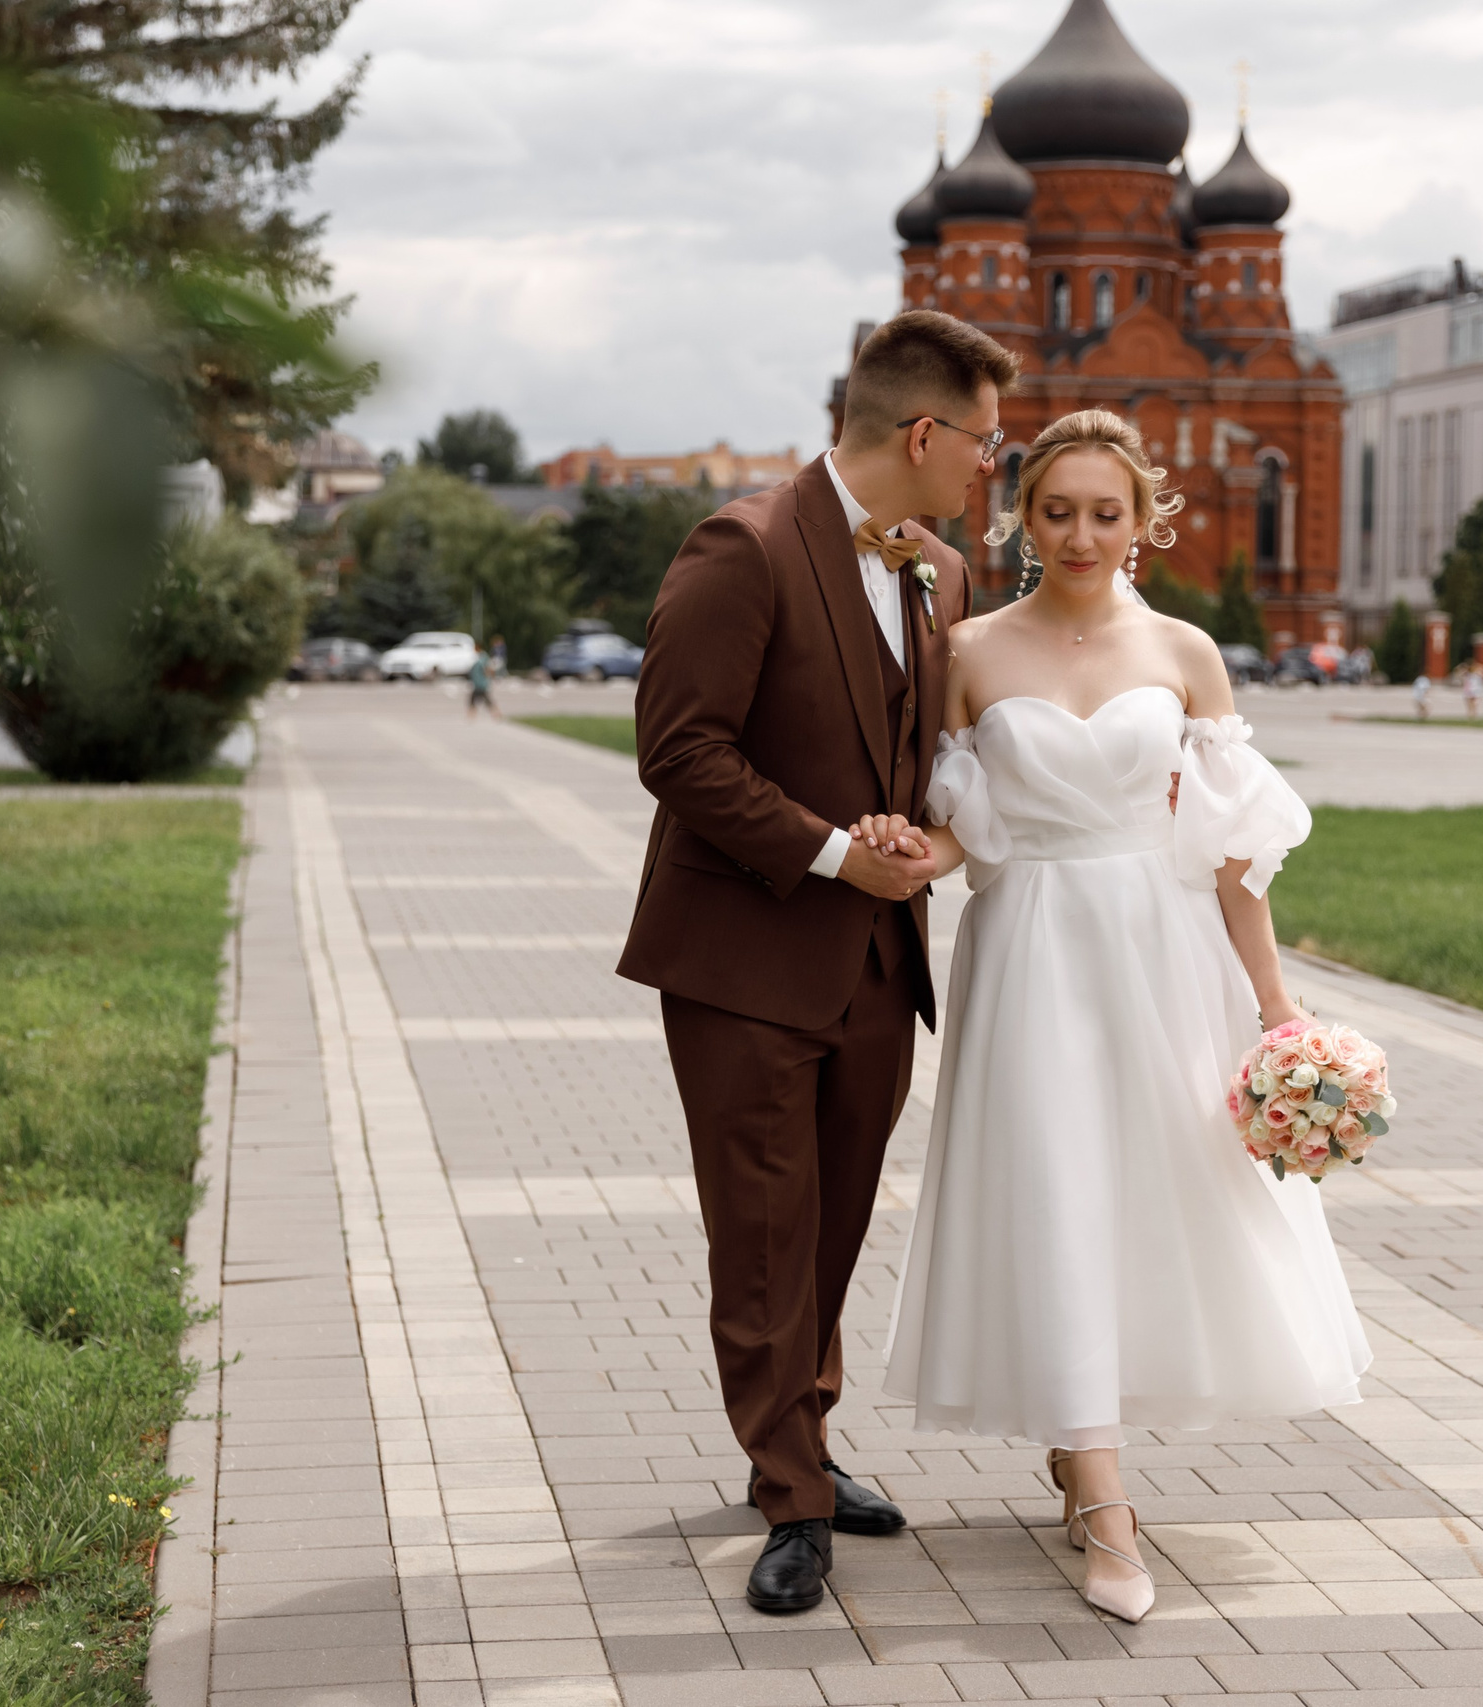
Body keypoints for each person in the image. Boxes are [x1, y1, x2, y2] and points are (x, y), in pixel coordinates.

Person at [856, 411, 1369, 1624]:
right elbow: (957, 828)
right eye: (1054, 510)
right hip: (1032, 951)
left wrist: (1279, 1011)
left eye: (1104, 511)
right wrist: (891, 849)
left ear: (1143, 521)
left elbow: (1233, 856)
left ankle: (1086, 1446)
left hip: (1165, 947)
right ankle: (1102, 1503)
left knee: (1155, 1199)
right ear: (1020, 517)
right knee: (1056, 1195)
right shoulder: (967, 651)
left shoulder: (1188, 652)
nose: (1079, 534)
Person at [617, 312, 1009, 1616]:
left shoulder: (937, 573)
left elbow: (896, 748)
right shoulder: (746, 546)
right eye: (983, 443)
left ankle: (803, 1436)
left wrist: (904, 833)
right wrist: (839, 852)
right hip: (744, 956)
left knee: (832, 1224)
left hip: (876, 966)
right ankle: (789, 1487)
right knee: (766, 1235)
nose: (985, 470)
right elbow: (680, 748)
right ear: (920, 432)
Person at [465, 644, 500, 720]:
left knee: (480, 700)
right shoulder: (479, 658)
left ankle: (471, 716)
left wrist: (489, 678)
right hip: (478, 683)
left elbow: (488, 669)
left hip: (481, 684)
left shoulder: (483, 658)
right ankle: (496, 714)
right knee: (479, 700)